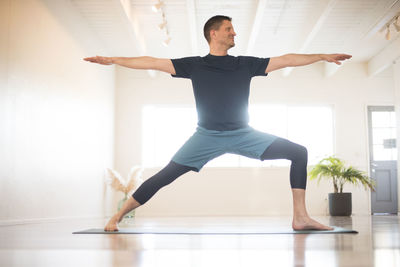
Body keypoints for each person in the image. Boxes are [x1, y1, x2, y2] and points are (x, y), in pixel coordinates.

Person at [84, 15, 351, 232]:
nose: (234, 34)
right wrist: (113, 60)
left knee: (298, 152)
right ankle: (117, 216)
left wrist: (321, 56)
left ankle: (301, 217)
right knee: (164, 176)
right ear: (214, 33)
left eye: (233, 30)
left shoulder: (245, 64)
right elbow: (151, 61)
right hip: (206, 136)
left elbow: (288, 59)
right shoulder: (194, 65)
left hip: (244, 134)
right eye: (229, 29)